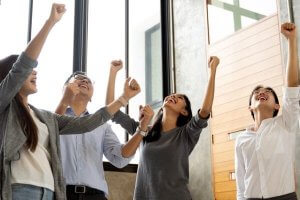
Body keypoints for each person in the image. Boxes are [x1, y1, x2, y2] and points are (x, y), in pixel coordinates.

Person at [0, 4, 140, 200]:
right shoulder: (5, 105)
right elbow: (23, 66)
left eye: (88, 80)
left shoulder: (41, 116)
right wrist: (50, 23)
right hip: (24, 189)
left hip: (50, 191)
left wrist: (124, 98)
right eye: (77, 78)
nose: (35, 72)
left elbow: (89, 124)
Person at [106, 56, 220, 199]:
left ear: (184, 111)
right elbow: (110, 112)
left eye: (180, 98)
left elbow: (205, 110)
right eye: (172, 95)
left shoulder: (186, 133)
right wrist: (113, 72)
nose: (173, 96)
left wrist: (213, 70)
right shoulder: (143, 130)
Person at [55, 60, 140, 200]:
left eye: (88, 81)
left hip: (95, 196)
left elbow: (120, 159)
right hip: (60, 194)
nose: (84, 81)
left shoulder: (102, 126)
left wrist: (141, 130)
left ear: (92, 97)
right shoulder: (50, 120)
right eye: (78, 79)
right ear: (65, 90)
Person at [235, 22, 299, 200]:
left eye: (268, 92)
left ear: (278, 106)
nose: (261, 92)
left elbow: (292, 88)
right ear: (250, 107)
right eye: (256, 93)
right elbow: (241, 180)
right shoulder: (241, 139)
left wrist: (292, 41)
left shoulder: (286, 124)